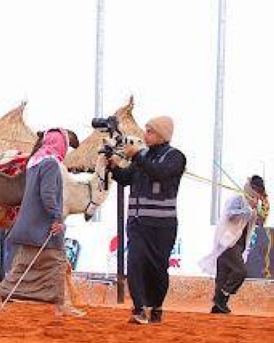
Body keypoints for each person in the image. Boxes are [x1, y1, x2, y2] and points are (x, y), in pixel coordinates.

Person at [0, 129, 84, 318]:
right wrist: (57, 218)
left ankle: (0, 294)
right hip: (44, 226)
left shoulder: (35, 162)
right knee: (57, 261)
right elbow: (48, 194)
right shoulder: (51, 164)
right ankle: (60, 305)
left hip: (30, 224)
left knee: (26, 264)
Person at [109, 115, 186, 325]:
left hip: (162, 225)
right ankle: (139, 308)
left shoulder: (175, 157)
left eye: (150, 131)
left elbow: (159, 173)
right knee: (135, 264)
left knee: (158, 268)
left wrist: (136, 157)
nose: (145, 135)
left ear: (162, 135)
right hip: (137, 223)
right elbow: (126, 179)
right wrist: (113, 167)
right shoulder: (142, 155)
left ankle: (156, 307)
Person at [200, 175, 268, 314]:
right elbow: (230, 214)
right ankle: (221, 298)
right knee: (240, 271)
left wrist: (265, 208)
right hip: (227, 242)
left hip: (239, 244)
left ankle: (218, 306)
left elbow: (260, 222)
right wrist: (248, 210)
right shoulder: (238, 199)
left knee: (223, 275)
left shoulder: (253, 204)